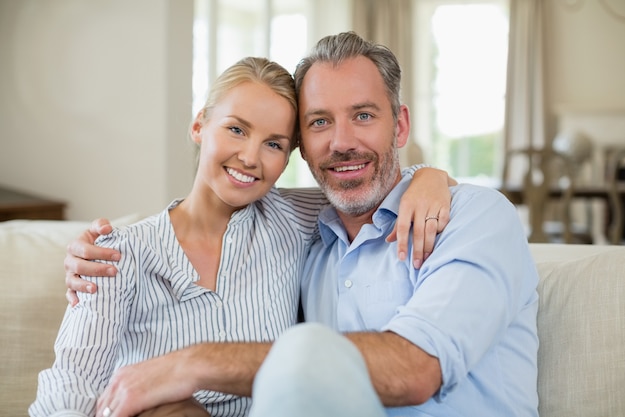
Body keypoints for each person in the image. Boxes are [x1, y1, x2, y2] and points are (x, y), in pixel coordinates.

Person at [64, 32, 539, 417]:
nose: (342, 142)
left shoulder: (473, 218)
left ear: (399, 126)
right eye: (319, 123)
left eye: (364, 115)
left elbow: (414, 370)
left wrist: (193, 364)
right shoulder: (313, 234)